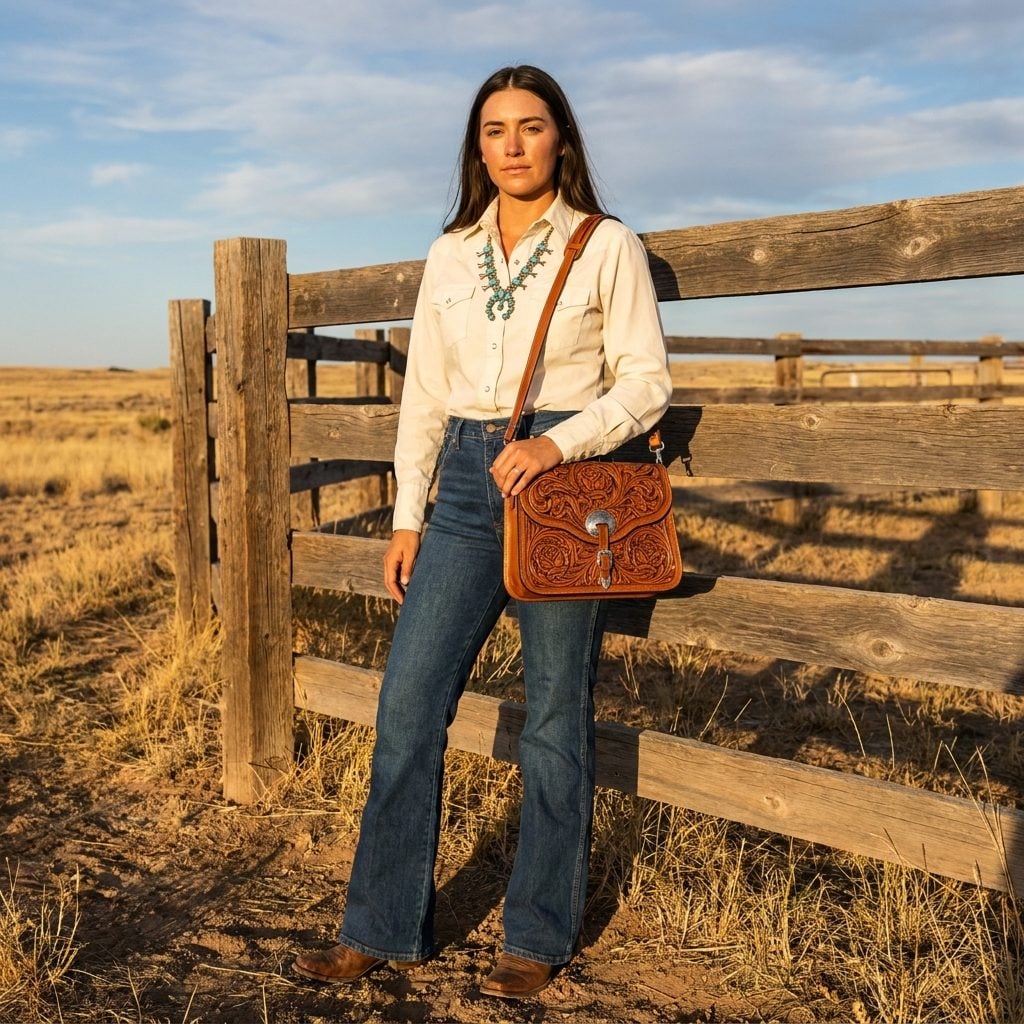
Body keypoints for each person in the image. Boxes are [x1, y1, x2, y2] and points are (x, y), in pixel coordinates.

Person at [292, 64, 672, 1000]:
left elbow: (645, 382)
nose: (511, 144)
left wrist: (558, 445)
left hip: (565, 486)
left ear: (561, 140)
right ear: (478, 147)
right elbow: (423, 394)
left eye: (530, 126)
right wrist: (408, 515)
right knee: (407, 708)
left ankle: (536, 937)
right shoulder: (451, 253)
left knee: (552, 718)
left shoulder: (604, 244)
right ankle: (379, 925)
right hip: (463, 484)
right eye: (494, 129)